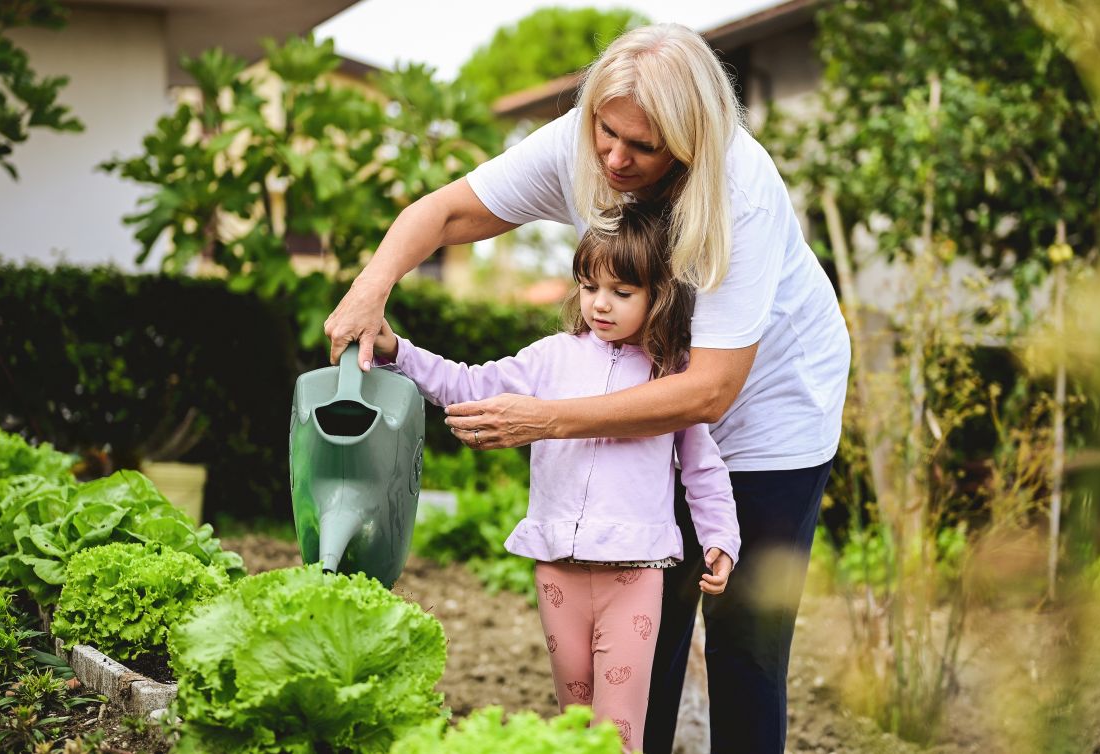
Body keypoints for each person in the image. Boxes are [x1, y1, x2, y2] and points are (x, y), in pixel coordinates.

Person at [324, 23, 850, 754]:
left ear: (691, 139)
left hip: (771, 414)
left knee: (747, 648)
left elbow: (708, 393)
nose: (614, 156)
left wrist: (545, 419)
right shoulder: (581, 142)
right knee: (643, 642)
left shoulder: (740, 191)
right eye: (607, 130)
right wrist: (371, 287)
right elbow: (444, 211)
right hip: (647, 403)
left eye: (643, 145)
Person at [371, 203, 741, 753]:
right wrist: (398, 350)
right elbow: (470, 385)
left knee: (616, 735)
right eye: (590, 286)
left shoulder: (671, 378)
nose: (601, 304)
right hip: (557, 574)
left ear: (657, 295)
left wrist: (720, 539)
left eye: (622, 291)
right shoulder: (550, 358)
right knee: (573, 726)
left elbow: (703, 468)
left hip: (633, 576)